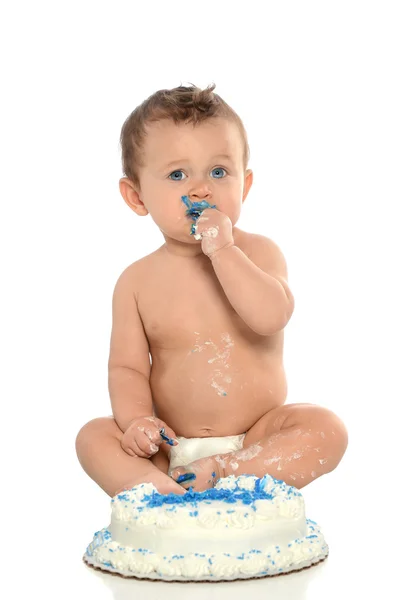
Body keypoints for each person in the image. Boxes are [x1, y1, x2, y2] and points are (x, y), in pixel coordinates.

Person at [75, 83, 348, 498]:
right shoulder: (136, 281)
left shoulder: (259, 253)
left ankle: (228, 472)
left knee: (326, 429)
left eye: (219, 172)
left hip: (256, 438)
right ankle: (159, 491)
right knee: (93, 437)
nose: (201, 189)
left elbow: (271, 316)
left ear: (246, 185)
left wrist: (224, 250)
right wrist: (136, 423)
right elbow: (127, 369)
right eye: (178, 174)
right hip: (170, 445)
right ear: (136, 196)